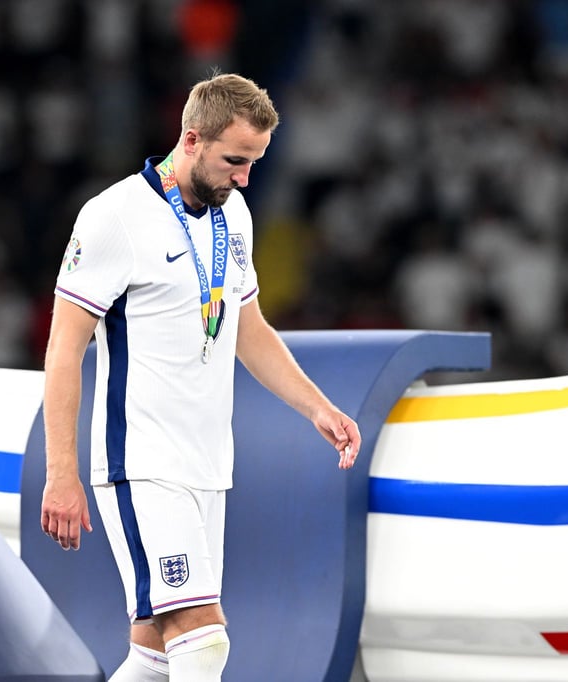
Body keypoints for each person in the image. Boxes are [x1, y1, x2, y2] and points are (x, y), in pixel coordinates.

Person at [39, 72, 362, 681]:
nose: (244, 178)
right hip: (142, 461)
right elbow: (63, 351)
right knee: (203, 638)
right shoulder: (114, 216)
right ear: (191, 139)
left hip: (207, 463)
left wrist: (319, 407)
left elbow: (249, 328)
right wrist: (62, 474)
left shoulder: (231, 212)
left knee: (156, 655)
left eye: (254, 164)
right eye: (235, 161)